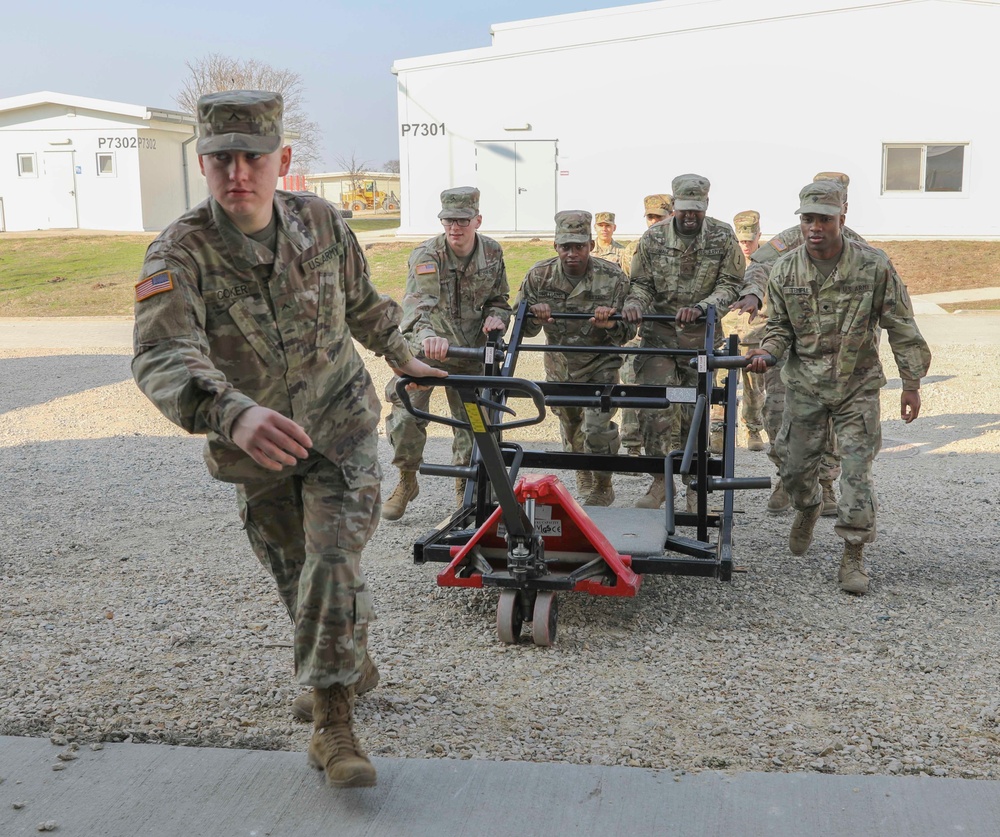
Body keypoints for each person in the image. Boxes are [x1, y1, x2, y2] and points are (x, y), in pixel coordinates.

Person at [131, 90, 444, 789]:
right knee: (299, 579)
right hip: (258, 451)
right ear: (202, 163)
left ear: (283, 160)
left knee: (331, 559)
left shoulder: (325, 224)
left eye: (253, 157)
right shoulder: (181, 252)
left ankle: (332, 726)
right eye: (220, 159)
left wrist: (402, 352)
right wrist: (230, 411)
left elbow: (363, 302)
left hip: (341, 429)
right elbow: (160, 353)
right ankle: (348, 662)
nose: (237, 172)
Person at [746, 180, 931, 595]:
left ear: (841, 220)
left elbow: (900, 325)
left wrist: (911, 383)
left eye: (824, 219)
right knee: (792, 469)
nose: (815, 227)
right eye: (808, 219)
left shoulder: (873, 265)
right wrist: (768, 352)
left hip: (856, 388)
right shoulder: (785, 268)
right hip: (805, 388)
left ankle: (853, 555)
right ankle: (808, 506)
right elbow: (779, 327)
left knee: (856, 473)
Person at [732, 172, 861, 515]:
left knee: (829, 422)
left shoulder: (861, 250)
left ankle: (826, 485)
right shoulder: (790, 240)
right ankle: (785, 479)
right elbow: (758, 268)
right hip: (787, 346)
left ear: (844, 207)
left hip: (835, 355)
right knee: (777, 412)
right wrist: (753, 294)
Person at [382, 187, 512, 520]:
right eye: (448, 220)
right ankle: (407, 480)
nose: (455, 227)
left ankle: (464, 494)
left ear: (477, 220)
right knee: (406, 413)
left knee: (474, 423)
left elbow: (499, 300)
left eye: (462, 221)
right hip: (429, 349)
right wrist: (428, 337)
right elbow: (416, 308)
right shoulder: (427, 255)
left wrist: (497, 317)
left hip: (470, 350)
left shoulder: (493, 253)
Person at [622, 174, 744, 510]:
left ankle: (694, 483)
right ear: (674, 206)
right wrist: (635, 303)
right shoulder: (653, 238)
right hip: (659, 337)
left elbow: (731, 284)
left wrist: (704, 307)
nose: (690, 216)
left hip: (698, 340)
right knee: (655, 405)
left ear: (706, 206)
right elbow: (642, 284)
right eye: (684, 209)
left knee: (696, 410)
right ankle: (660, 481)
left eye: (697, 210)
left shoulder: (722, 237)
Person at [516, 210, 634, 506]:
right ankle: (581, 468)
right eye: (565, 247)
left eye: (579, 246)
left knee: (597, 428)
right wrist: (536, 316)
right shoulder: (539, 276)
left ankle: (603, 483)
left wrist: (612, 323)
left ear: (591, 246)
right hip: (561, 366)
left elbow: (628, 330)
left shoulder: (612, 277)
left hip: (600, 363)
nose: (572, 254)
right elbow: (521, 327)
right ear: (555, 247)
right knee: (570, 427)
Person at [619, 194, 673, 456]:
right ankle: (631, 444)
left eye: (659, 217)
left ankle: (671, 448)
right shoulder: (632, 250)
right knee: (630, 386)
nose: (654, 222)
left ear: (671, 216)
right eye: (650, 217)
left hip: (667, 332)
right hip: (636, 331)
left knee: (671, 395)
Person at [722, 210, 767, 451]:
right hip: (726, 336)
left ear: (759, 235)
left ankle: (753, 430)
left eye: (750, 240)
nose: (746, 246)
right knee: (719, 387)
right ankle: (718, 432)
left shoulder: (769, 262)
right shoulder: (728, 262)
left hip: (755, 336)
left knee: (754, 390)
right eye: (742, 241)